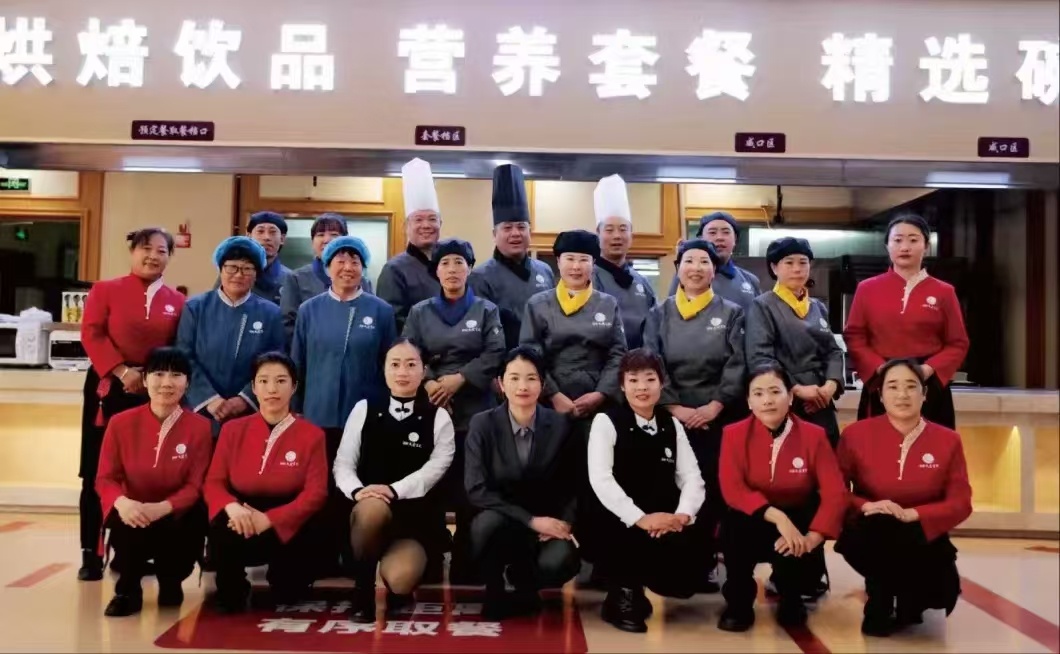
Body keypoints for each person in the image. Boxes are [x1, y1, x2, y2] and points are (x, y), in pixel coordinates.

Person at [78, 227, 185, 581]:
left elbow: (176, 348)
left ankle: (131, 551)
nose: (153, 256)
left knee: (145, 472)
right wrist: (122, 371)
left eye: (161, 251)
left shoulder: (177, 301)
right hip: (109, 388)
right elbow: (92, 333)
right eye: (146, 248)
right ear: (132, 251)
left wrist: (154, 379)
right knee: (97, 472)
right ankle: (91, 554)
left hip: (154, 394)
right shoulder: (105, 289)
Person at [836, 358, 972, 637]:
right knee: (881, 528)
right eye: (893, 387)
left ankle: (907, 595)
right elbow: (835, 491)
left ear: (925, 394)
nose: (902, 394)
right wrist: (867, 505)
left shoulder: (948, 440)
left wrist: (914, 514)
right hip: (870, 527)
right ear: (880, 395)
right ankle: (881, 598)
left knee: (942, 593)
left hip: (920, 531)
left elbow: (961, 503)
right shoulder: (854, 435)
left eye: (911, 386)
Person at [644, 238, 746, 592]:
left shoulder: (732, 313)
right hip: (670, 415)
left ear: (714, 270)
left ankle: (705, 564)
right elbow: (651, 361)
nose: (696, 268)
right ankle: (669, 566)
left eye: (704, 262)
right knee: (669, 488)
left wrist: (715, 405)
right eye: (689, 261)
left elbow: (738, 364)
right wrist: (673, 406)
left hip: (717, 417)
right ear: (678, 268)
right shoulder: (659, 313)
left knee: (711, 491)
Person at [402, 238, 506, 582]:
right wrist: (430, 382)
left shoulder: (486, 310)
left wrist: (460, 379)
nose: (452, 270)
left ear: (470, 268)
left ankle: (467, 561)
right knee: (429, 485)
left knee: (470, 488)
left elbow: (495, 353)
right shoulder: (420, 312)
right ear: (436, 271)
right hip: (430, 406)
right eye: (445, 263)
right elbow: (409, 352)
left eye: (459, 263)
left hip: (475, 409)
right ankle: (430, 559)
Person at [716, 363, 847, 632]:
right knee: (734, 524)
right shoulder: (733, 433)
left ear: (790, 397)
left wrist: (813, 537)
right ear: (749, 402)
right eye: (758, 393)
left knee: (801, 548)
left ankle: (792, 597)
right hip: (754, 517)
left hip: (798, 519)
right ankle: (739, 601)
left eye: (775, 392)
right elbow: (733, 488)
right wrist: (778, 518)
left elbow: (835, 492)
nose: (767, 400)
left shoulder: (814, 435)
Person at [584, 349, 705, 633]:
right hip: (617, 519)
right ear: (622, 385)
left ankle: (641, 585)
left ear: (662, 383)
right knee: (620, 536)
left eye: (650, 379)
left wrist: (682, 516)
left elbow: (691, 477)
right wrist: (640, 518)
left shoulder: (671, 423)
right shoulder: (606, 422)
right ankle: (622, 594)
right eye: (633, 380)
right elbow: (601, 480)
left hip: (662, 519)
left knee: (686, 579)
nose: (642, 387)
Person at [334, 339, 456, 621]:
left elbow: (433, 472)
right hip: (367, 509)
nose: (403, 372)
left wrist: (391, 490)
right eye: (395, 364)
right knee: (372, 509)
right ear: (384, 369)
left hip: (412, 521)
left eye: (411, 364)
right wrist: (358, 491)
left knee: (401, 579)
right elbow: (343, 463)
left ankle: (397, 585)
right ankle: (362, 591)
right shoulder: (364, 408)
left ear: (424, 370)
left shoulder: (438, 417)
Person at [204, 352, 328, 613]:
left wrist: (271, 519)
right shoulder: (232, 430)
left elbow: (316, 493)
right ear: (253, 387)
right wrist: (232, 507)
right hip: (242, 514)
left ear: (294, 386)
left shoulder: (312, 435)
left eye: (281, 381)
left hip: (288, 519)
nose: (272, 389)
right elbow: (214, 483)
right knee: (228, 600)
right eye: (264, 381)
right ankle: (233, 584)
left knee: (289, 594)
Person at [465, 347, 582, 620]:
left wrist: (564, 522)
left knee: (560, 560)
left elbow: (575, 484)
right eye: (514, 378)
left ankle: (526, 585)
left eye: (531, 378)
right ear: (501, 383)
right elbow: (476, 488)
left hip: (545, 524)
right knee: (484, 525)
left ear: (542, 384)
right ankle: (494, 587)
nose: (522, 386)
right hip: (502, 520)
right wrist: (530, 520)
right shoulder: (483, 424)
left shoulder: (561, 425)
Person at [95, 347, 212, 617]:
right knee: (125, 519)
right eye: (158, 374)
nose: (167, 382)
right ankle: (127, 590)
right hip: (133, 509)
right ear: (145, 380)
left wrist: (163, 507)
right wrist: (123, 503)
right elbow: (105, 478)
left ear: (187, 383)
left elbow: (196, 485)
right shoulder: (120, 423)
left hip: (175, 512)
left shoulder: (200, 427)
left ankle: (171, 580)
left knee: (196, 516)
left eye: (176, 375)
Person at [844, 214, 969, 429]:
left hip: (928, 384)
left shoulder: (944, 291)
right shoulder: (867, 288)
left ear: (926, 246)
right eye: (898, 240)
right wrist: (881, 369)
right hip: (882, 382)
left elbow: (958, 343)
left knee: (931, 446)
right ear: (887, 246)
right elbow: (855, 336)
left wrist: (927, 370)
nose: (905, 247)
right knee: (876, 445)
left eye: (913, 240)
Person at [291, 235, 396, 467]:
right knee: (320, 473)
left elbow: (390, 364)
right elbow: (297, 363)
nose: (348, 267)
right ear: (328, 268)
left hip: (366, 410)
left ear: (363, 269)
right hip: (318, 410)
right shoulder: (308, 310)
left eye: (355, 262)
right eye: (340, 261)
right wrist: (295, 408)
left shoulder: (381, 311)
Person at [177, 237, 285, 435]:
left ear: (256, 274)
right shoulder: (195, 307)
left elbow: (275, 362)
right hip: (200, 409)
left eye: (247, 269)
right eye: (232, 267)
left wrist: (245, 398)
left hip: (249, 411)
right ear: (221, 269)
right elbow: (184, 357)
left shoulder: (270, 313)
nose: (239, 274)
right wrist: (209, 399)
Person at [745, 237, 844, 448]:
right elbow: (760, 357)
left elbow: (833, 351)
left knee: (827, 457)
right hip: (783, 399)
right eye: (789, 263)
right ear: (774, 268)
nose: (797, 269)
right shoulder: (763, 306)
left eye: (803, 262)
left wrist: (831, 385)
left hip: (820, 400)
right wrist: (796, 389)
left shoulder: (817, 307)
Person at [519, 229, 627, 421]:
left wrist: (600, 394)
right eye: (570, 259)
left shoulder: (608, 304)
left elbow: (618, 353)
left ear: (593, 263)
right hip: (548, 398)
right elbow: (530, 354)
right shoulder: (537, 304)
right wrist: (554, 395)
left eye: (584, 260)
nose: (576, 266)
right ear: (558, 261)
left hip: (599, 398)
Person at [469, 164, 555, 350]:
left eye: (521, 227)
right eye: (507, 228)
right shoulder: (479, 277)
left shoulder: (545, 270)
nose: (515, 233)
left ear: (530, 232)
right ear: (494, 234)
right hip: (503, 361)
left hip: (545, 358)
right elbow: (481, 332)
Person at [280, 213, 374, 343]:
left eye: (334, 234)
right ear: (312, 241)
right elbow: (288, 325)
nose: (327, 239)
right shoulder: (296, 278)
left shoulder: (362, 281)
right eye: (320, 234)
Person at [591, 175, 657, 349]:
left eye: (623, 229)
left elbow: (655, 325)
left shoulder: (643, 282)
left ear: (631, 234)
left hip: (640, 362)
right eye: (609, 230)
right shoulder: (588, 277)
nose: (617, 236)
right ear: (598, 233)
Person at [377, 158, 442, 332]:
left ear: (441, 224)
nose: (426, 225)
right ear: (406, 227)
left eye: (432, 219)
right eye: (418, 220)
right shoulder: (394, 270)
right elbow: (392, 320)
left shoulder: (449, 263)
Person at [667, 212, 761, 308]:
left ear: (735, 239)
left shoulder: (750, 280)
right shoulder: (686, 276)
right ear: (701, 238)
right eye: (712, 232)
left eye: (726, 232)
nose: (719, 238)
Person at [245, 211, 292, 304]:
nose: (267, 237)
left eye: (273, 232)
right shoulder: (233, 273)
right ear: (249, 236)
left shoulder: (291, 279)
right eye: (260, 231)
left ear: (282, 239)